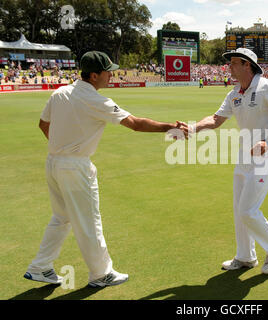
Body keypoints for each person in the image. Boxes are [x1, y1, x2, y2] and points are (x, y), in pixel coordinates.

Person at [24, 51, 188, 288]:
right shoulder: (94, 99)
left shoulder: (60, 92)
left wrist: (61, 146)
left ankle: (40, 267)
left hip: (54, 162)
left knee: (62, 217)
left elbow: (43, 124)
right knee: (89, 220)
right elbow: (135, 124)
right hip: (75, 166)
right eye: (107, 71)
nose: (111, 75)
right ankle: (101, 274)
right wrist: (171, 127)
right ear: (93, 75)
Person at [187, 48, 268, 274]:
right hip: (243, 156)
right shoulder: (234, 93)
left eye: (234, 62)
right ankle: (245, 256)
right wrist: (193, 127)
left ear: (247, 65)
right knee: (239, 209)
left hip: (265, 156)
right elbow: (216, 120)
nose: (229, 67)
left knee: (247, 209)